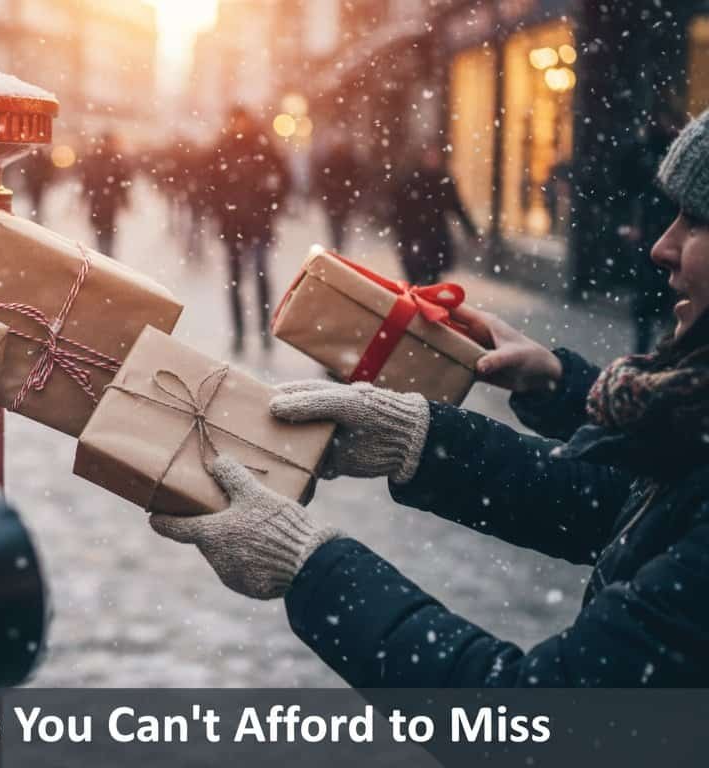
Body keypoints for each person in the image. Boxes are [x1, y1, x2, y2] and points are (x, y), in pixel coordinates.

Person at [149, 108, 709, 686]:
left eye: (695, 220)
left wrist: (308, 565)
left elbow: (537, 723)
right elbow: (624, 511)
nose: (661, 246)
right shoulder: (686, 413)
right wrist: (420, 438)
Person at [207, 105, 292, 354]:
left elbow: (284, 178)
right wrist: (220, 210)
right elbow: (210, 184)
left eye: (240, 121)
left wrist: (272, 203)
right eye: (234, 121)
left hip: (259, 224)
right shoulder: (223, 148)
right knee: (235, 281)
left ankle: (265, 330)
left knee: (261, 276)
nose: (238, 126)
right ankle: (240, 333)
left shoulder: (262, 147)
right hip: (234, 226)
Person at [619, 104, 681, 353]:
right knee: (648, 296)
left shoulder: (663, 153)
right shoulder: (645, 152)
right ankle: (647, 347)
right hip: (649, 232)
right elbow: (629, 188)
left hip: (657, 230)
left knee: (662, 294)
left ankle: (658, 347)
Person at [392, 146, 479, 285]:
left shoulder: (444, 181)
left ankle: (426, 301)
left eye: (435, 156)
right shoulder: (410, 180)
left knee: (432, 278)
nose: (432, 160)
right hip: (414, 236)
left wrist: (471, 231)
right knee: (415, 279)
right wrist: (401, 234)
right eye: (429, 156)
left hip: (435, 238)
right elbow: (398, 209)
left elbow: (457, 206)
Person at [79, 132, 131, 258]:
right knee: (103, 232)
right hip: (101, 201)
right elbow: (87, 180)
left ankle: (105, 256)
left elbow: (122, 182)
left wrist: (125, 199)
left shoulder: (98, 158)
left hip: (105, 202)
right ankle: (105, 256)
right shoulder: (111, 159)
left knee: (105, 232)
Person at [311, 133, 360, 253]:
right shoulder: (349, 160)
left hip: (334, 200)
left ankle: (337, 246)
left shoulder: (330, 161)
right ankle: (339, 246)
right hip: (343, 199)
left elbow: (321, 179)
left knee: (335, 226)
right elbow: (358, 178)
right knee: (341, 225)